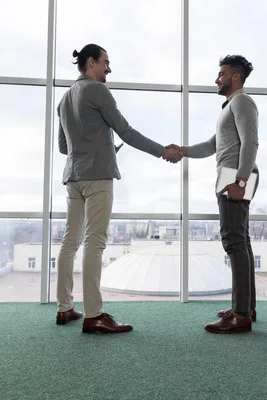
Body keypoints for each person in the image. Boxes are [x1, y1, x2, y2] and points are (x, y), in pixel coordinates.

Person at [55, 43, 182, 334]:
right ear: (91, 62)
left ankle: (64, 309)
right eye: (105, 62)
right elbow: (126, 130)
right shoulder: (98, 91)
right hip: (98, 177)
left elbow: (64, 147)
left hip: (73, 177)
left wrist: (95, 146)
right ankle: (94, 315)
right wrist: (162, 150)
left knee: (69, 242)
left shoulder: (64, 99)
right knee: (95, 243)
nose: (109, 68)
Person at [167, 55, 259, 333]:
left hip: (236, 175)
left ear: (235, 77)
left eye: (221, 74)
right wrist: (181, 151)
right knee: (241, 241)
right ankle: (245, 307)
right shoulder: (230, 106)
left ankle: (240, 315)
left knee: (234, 243)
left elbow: (251, 142)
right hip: (233, 175)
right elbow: (211, 145)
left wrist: (240, 181)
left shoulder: (242, 101)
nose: (216, 79)